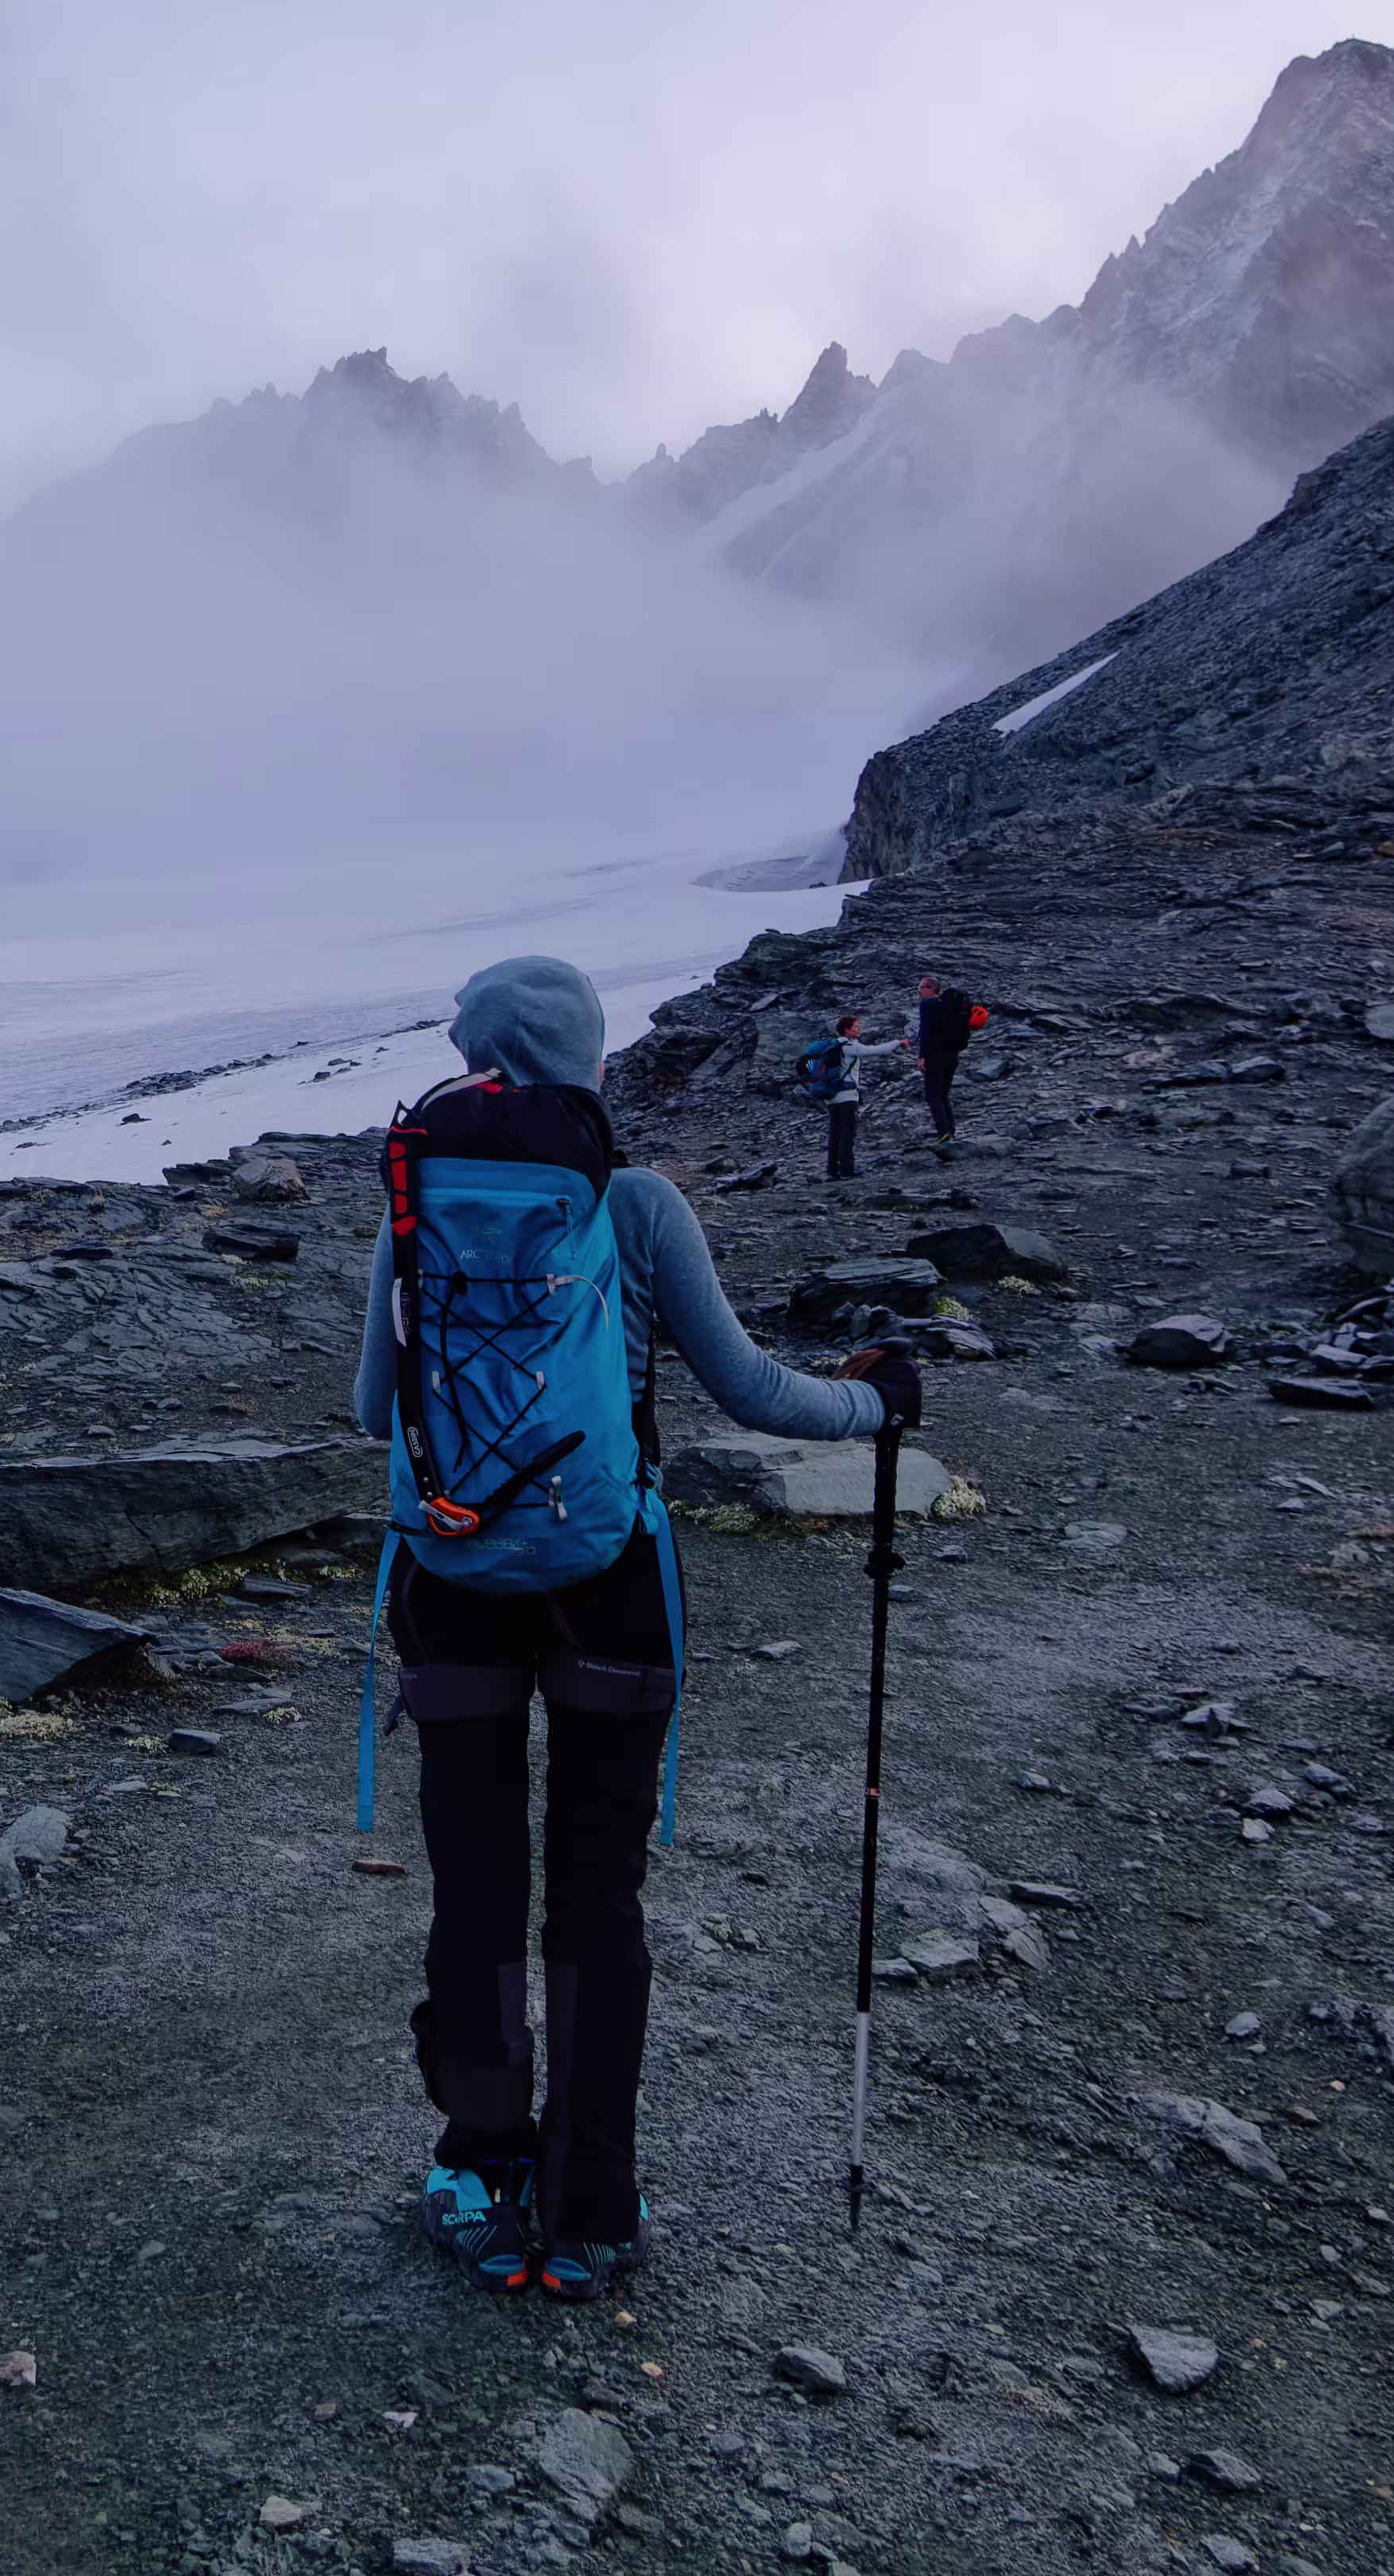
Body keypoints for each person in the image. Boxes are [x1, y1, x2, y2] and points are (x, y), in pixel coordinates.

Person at [357, 955, 922, 2300]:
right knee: (596, 1892)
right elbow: (752, 1389)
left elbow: (376, 1411)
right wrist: (879, 1404)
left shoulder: (409, 1198)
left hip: (447, 1580)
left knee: (477, 1884)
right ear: (587, 1058)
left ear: (478, 1051)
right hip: (609, 1577)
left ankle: (479, 2168)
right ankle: (592, 2202)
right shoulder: (636, 1201)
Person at [796, 1011, 900, 1179]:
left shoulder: (831, 1046)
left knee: (835, 1133)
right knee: (847, 1132)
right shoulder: (850, 1047)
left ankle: (832, 1170)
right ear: (847, 1030)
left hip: (831, 1095)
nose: (860, 1030)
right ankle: (847, 1170)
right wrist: (898, 1042)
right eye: (856, 1027)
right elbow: (877, 1050)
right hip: (847, 1096)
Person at [910, 974, 985, 1147]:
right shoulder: (953, 1006)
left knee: (932, 1096)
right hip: (953, 1055)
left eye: (921, 988)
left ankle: (944, 1134)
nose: (919, 991)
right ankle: (950, 1132)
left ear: (931, 989)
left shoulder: (928, 1005)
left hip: (935, 1055)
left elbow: (926, 1032)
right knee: (944, 1095)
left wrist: (922, 1056)